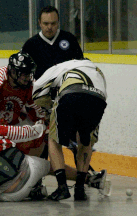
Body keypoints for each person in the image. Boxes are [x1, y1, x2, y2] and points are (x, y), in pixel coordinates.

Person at [0, 51, 109, 196]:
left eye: (29, 73)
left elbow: (36, 109)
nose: (27, 77)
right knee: (8, 162)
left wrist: (46, 123)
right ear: (12, 71)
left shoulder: (29, 84)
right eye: (23, 73)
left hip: (12, 126)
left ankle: (40, 183)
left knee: (37, 153)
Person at [32, 58, 107, 201]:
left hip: (71, 94)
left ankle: (62, 187)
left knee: (54, 140)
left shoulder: (60, 66)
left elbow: (37, 92)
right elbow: (99, 95)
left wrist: (48, 113)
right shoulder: (97, 70)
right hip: (98, 100)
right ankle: (79, 189)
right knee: (86, 141)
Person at [22, 5, 83, 80]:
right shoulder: (30, 45)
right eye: (46, 24)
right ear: (39, 23)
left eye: (53, 23)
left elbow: (81, 64)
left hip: (66, 87)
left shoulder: (69, 39)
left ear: (58, 23)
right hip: (41, 89)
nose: (49, 27)